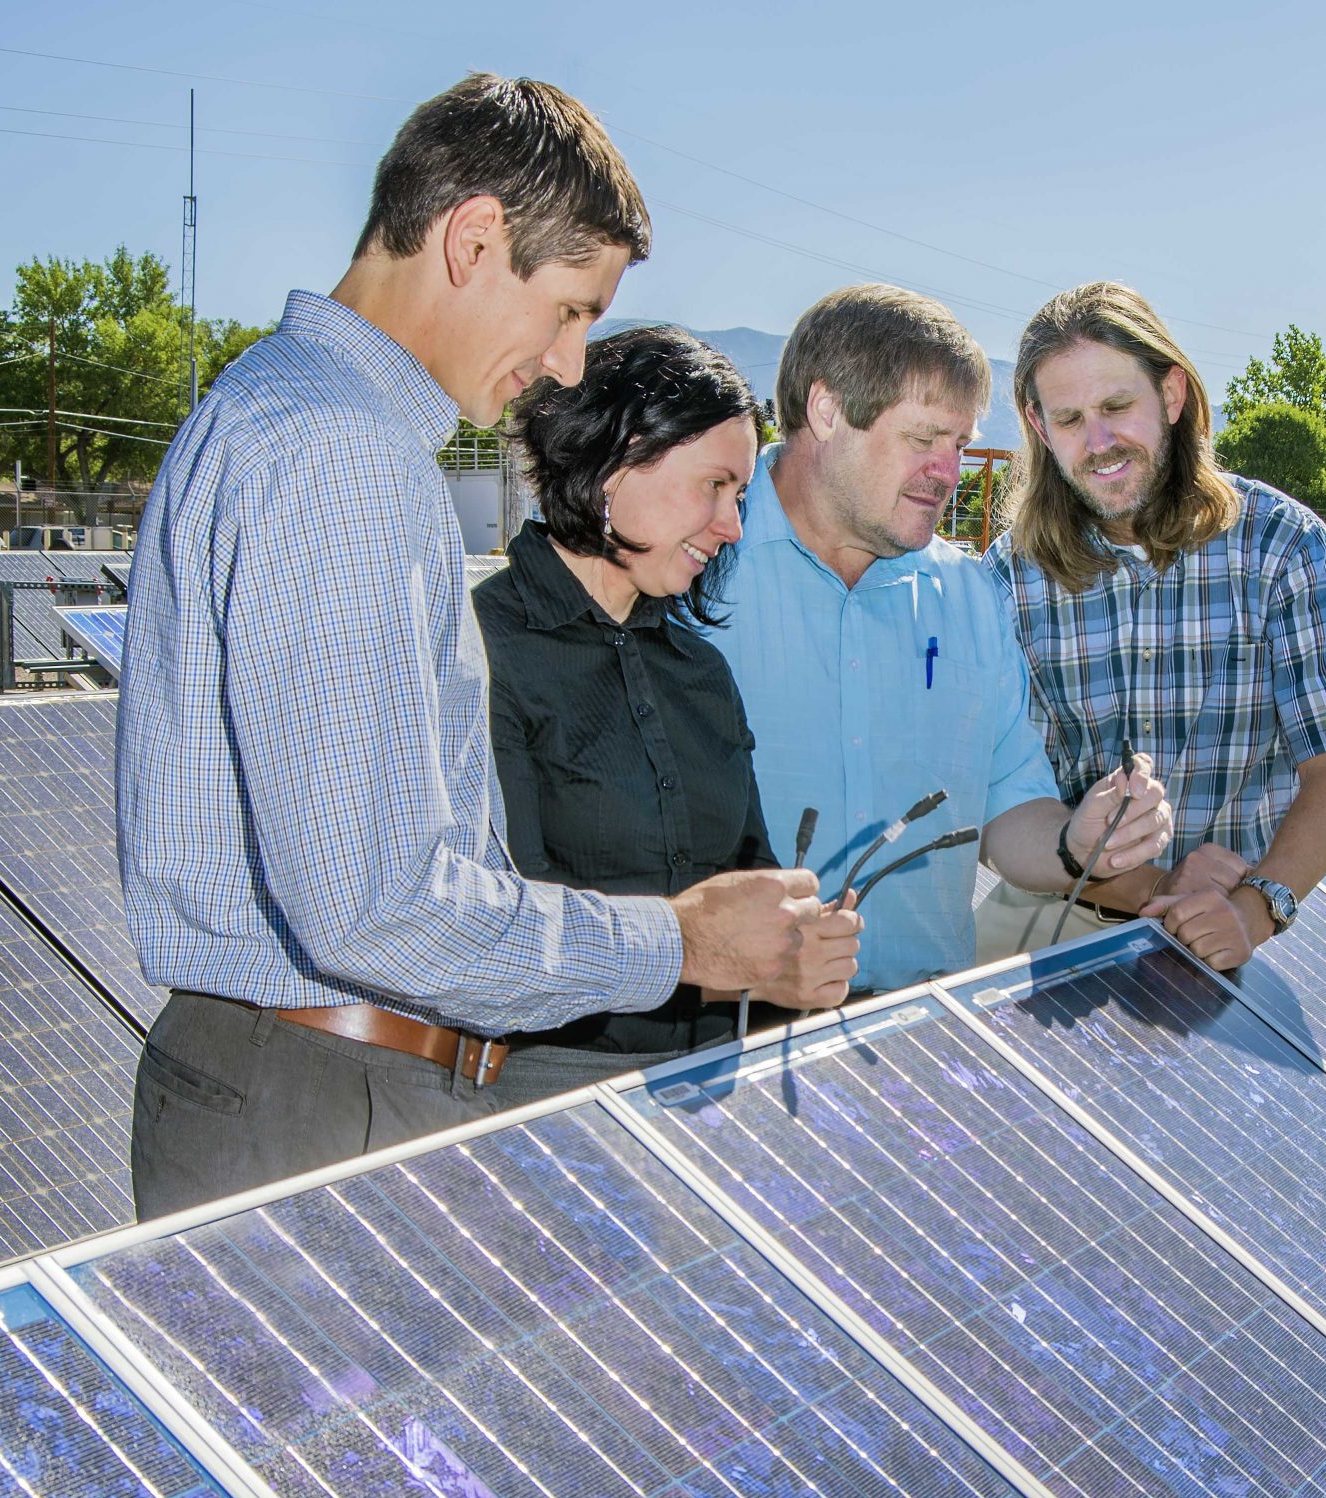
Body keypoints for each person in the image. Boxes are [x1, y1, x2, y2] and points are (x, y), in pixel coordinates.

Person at [115, 75, 847, 1220]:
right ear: (471, 239)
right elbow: (376, 908)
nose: (567, 363)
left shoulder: (281, 409)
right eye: (568, 308)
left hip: (302, 1081)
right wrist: (678, 941)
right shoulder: (344, 452)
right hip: (328, 1092)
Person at [710, 284, 1173, 996]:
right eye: (924, 440)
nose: (950, 473)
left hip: (919, 1030)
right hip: (726, 1032)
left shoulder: (970, 598)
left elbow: (1008, 806)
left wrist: (1076, 842)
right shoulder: (698, 564)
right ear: (827, 411)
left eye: (958, 445)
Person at [979, 281, 1326, 970]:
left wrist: (1255, 908)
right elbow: (999, 801)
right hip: (1053, 918)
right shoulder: (1008, 578)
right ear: (1039, 428)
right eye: (1068, 419)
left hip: (1238, 923)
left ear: (1172, 395)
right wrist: (1157, 888)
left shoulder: (1282, 547)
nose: (1099, 442)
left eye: (1117, 407)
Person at [475, 326, 859, 1106]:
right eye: (714, 485)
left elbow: (751, 874)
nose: (733, 526)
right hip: (545, 1098)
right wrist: (713, 956)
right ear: (617, 461)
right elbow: (505, 932)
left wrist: (797, 947)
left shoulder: (700, 673)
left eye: (740, 496)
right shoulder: (480, 648)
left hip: (721, 1082)